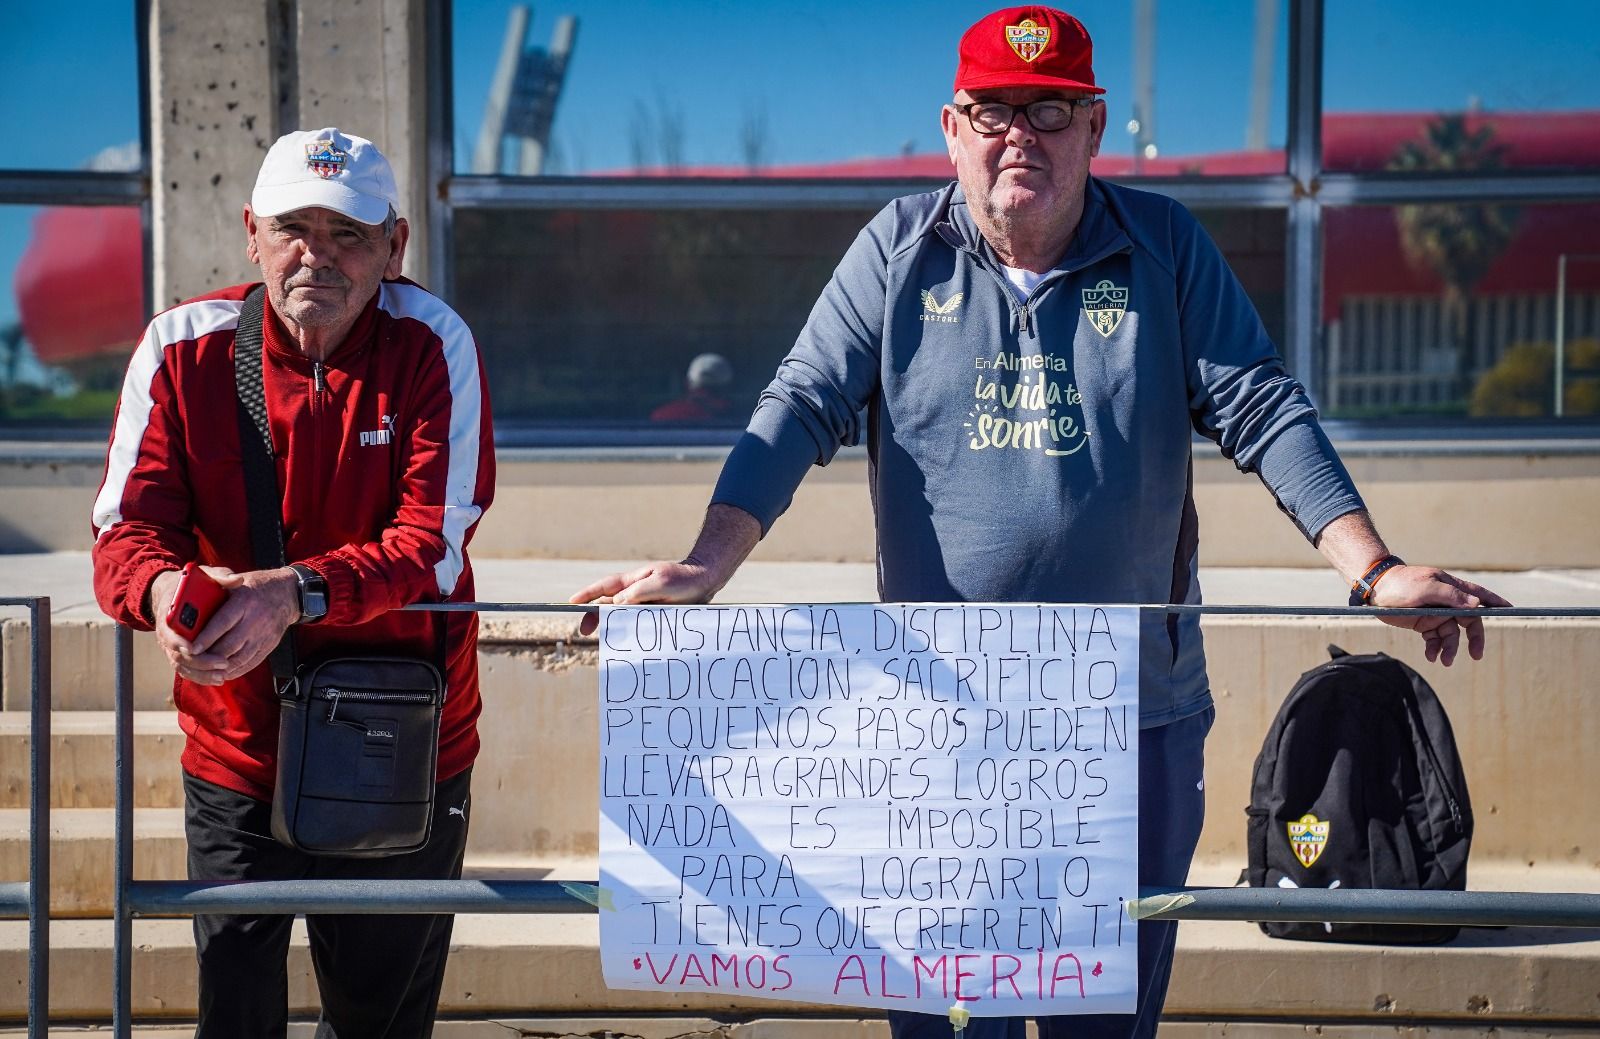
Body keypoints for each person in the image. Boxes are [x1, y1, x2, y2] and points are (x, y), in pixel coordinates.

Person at [573, 7, 1508, 1038]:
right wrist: (708, 563)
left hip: (1130, 722)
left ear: (1094, 127)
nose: (1020, 133)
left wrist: (1373, 570)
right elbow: (800, 405)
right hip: (937, 723)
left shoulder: (1165, 247)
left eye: (1050, 110)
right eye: (995, 110)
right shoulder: (895, 250)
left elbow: (1262, 408)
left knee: (1100, 1022)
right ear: (952, 128)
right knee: (942, 1018)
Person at [91, 127, 495, 1038]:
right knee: (234, 1006)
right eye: (293, 229)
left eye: (348, 232)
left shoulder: (434, 343)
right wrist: (164, 593)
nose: (318, 254)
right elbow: (125, 533)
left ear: (395, 245)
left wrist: (291, 592)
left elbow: (431, 543)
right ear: (252, 233)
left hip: (399, 738)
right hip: (236, 738)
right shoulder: (180, 346)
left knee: (377, 1021)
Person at [650, 351, 738, 422]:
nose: (705, 396)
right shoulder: (739, 419)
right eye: (702, 391)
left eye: (712, 391)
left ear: (686, 383)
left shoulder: (662, 415)